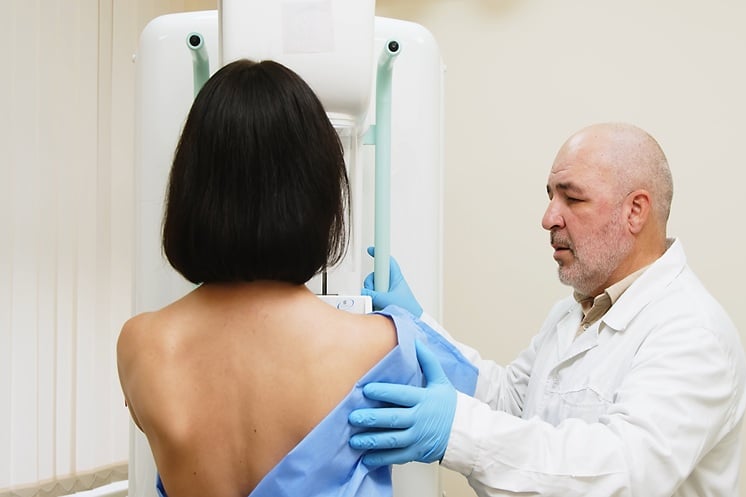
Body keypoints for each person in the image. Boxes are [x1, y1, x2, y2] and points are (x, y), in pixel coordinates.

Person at [116, 59, 477, 497]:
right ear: (320, 193)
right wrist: (411, 323)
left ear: (192, 187)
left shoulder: (141, 344)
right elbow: (483, 398)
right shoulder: (382, 345)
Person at [349, 122, 746, 497]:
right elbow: (511, 402)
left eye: (572, 198)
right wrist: (419, 331)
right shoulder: (574, 312)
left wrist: (454, 430)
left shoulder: (692, 333)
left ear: (635, 211)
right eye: (550, 196)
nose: (547, 218)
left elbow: (619, 474)